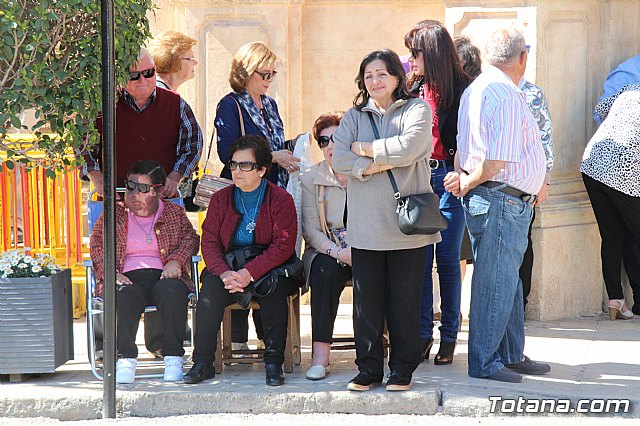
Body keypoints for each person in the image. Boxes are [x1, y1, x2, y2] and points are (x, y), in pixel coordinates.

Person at [444, 27, 551, 383]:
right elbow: (494, 161)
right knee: (496, 280)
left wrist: (464, 179)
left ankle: (509, 353)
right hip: (501, 197)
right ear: (523, 57)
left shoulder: (477, 89)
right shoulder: (502, 93)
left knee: (507, 280)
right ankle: (485, 361)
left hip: (499, 198)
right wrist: (469, 182)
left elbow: (463, 150)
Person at [332, 49, 439, 392]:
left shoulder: (417, 109)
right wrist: (375, 163)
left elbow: (411, 148)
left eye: (382, 74)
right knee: (366, 303)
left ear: (397, 76)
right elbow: (339, 158)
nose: (375, 81)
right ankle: (368, 369)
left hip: (408, 227)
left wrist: (363, 150)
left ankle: (403, 369)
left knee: (405, 302)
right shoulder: (353, 115)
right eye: (368, 76)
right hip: (365, 226)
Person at [184, 135, 300, 386]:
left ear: (261, 170)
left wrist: (250, 272)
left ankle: (273, 363)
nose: (237, 171)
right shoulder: (220, 199)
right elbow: (210, 242)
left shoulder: (280, 199)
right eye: (234, 164)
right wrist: (225, 273)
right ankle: (202, 363)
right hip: (229, 266)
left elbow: (283, 245)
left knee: (274, 289)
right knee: (209, 292)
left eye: (245, 165)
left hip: (270, 266)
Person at [89, 160, 200, 384]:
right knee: (123, 294)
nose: (134, 194)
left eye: (143, 189)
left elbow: (191, 238)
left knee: (173, 292)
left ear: (158, 191)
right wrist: (110, 272)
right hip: (127, 276)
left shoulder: (173, 213)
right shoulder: (114, 214)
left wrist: (176, 262)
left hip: (164, 275)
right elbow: (97, 245)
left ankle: (173, 357)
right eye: (130, 187)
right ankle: (126, 359)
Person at [404, 21, 470, 366]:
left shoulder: (463, 89)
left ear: (430, 52)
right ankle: (421, 335)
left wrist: (462, 172)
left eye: (414, 52)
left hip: (448, 178)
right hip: (416, 179)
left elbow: (472, 139)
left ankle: (448, 337)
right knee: (418, 260)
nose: (410, 59)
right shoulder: (412, 88)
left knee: (446, 259)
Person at [80, 48, 203, 199]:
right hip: (117, 201)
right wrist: (97, 177)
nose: (142, 80)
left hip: (162, 202)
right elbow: (83, 143)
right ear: (121, 77)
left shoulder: (177, 104)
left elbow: (193, 146)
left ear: (155, 71)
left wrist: (174, 177)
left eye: (148, 73)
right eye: (134, 75)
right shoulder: (103, 106)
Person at [581, 83, 640, 320]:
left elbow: (601, 107)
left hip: (593, 163)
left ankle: (616, 298)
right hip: (624, 172)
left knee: (613, 235)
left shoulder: (631, 87)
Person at [299, 111, 350, 380]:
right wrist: (338, 252)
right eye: (323, 140)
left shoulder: (365, 171)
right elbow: (311, 229)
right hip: (327, 248)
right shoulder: (310, 178)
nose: (330, 145)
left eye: (336, 138)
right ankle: (320, 356)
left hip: (366, 246)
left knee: (379, 270)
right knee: (324, 273)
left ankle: (372, 352)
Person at [518, 78, 554, 306]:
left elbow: (546, 137)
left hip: (526, 182)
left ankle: (521, 300)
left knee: (524, 240)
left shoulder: (532, 92)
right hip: (492, 182)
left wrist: (545, 180)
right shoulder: (488, 87)